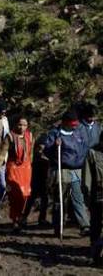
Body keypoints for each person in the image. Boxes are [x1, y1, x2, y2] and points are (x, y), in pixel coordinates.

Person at [45, 110, 91, 237]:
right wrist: (54, 146)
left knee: (78, 198)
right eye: (72, 124)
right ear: (65, 122)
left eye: (75, 124)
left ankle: (84, 225)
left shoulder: (78, 133)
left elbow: (84, 148)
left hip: (77, 170)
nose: (74, 126)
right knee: (60, 199)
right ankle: (58, 225)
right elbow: (47, 152)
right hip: (62, 170)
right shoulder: (55, 133)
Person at [0, 117, 32, 231]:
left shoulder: (30, 136)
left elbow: (31, 154)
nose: (22, 127)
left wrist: (30, 167)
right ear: (16, 124)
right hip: (13, 169)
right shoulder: (9, 137)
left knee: (25, 195)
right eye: (20, 124)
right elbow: (2, 155)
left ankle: (21, 217)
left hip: (26, 169)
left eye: (24, 125)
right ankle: (15, 219)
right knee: (15, 196)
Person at [83, 127, 103, 266]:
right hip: (98, 195)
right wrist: (88, 196)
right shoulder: (92, 153)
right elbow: (87, 180)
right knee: (96, 225)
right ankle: (95, 253)